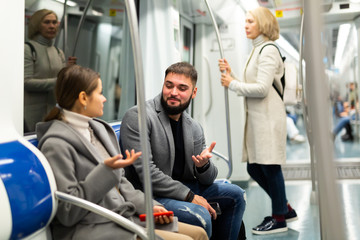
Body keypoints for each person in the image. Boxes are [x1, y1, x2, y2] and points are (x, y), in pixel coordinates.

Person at [36, 65, 208, 240]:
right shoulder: (56, 144)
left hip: (120, 216)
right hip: (92, 225)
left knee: (199, 234)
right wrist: (105, 172)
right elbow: (68, 212)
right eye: (100, 93)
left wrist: (148, 206)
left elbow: (122, 182)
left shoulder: (99, 130)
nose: (104, 99)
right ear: (83, 98)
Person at [120, 62, 246, 240]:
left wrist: (203, 167)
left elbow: (208, 179)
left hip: (185, 188)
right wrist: (189, 196)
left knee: (236, 195)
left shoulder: (193, 127)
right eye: (169, 85)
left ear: (193, 93)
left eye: (182, 88)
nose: (173, 92)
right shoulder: (138, 116)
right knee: (199, 215)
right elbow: (147, 174)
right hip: (152, 194)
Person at [218, 6, 297, 235]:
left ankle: (279, 218)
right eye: (246, 22)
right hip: (259, 119)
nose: (246, 25)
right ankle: (286, 208)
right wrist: (233, 75)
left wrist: (231, 84)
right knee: (255, 166)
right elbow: (254, 81)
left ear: (262, 24)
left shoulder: (268, 50)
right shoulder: (257, 49)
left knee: (270, 167)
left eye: (250, 21)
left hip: (268, 119)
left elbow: (262, 89)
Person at [24, 9, 77, 132]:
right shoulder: (28, 49)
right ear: (36, 25)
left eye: (54, 22)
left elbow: (60, 79)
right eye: (47, 22)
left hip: (54, 111)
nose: (52, 26)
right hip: (30, 113)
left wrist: (68, 71)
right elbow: (25, 82)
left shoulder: (59, 52)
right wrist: (58, 81)